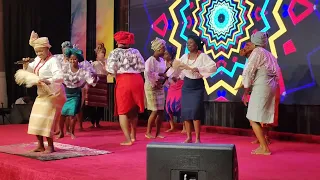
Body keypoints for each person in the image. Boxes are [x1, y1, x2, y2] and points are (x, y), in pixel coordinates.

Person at [22, 31, 66, 153]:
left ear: (47, 49)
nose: (39, 53)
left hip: (53, 94)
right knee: (36, 119)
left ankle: (50, 146)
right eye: (37, 51)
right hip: (41, 94)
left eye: (41, 51)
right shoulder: (37, 60)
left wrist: (49, 80)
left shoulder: (53, 61)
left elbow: (60, 76)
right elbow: (30, 72)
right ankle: (40, 145)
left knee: (47, 120)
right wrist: (26, 65)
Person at [238, 31, 281, 155]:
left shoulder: (257, 52)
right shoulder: (269, 54)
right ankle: (263, 144)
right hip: (270, 86)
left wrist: (245, 84)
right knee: (258, 116)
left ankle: (264, 148)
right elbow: (276, 72)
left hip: (262, 86)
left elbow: (249, 70)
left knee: (252, 118)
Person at [173, 35, 217, 143]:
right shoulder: (184, 57)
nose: (188, 44)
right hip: (187, 86)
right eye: (187, 43)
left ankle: (197, 138)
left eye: (191, 43)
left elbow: (213, 67)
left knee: (195, 112)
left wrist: (199, 69)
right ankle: (189, 137)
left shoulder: (202, 56)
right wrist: (175, 75)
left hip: (197, 86)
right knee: (187, 113)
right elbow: (179, 70)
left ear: (197, 45)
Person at [106, 31, 145, 145]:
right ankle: (133, 136)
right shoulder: (135, 51)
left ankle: (128, 139)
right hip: (137, 80)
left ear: (118, 41)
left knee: (122, 111)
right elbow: (142, 66)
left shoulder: (114, 53)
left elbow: (110, 69)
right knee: (133, 108)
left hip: (124, 80)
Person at [57, 48, 97, 139]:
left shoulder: (82, 70)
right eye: (71, 59)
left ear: (78, 60)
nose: (72, 61)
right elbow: (59, 77)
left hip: (76, 94)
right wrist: (63, 84)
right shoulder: (65, 68)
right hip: (66, 93)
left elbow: (90, 80)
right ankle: (61, 132)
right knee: (62, 114)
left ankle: (72, 133)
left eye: (74, 59)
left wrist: (94, 77)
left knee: (72, 114)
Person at [144, 37, 167, 139]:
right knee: (154, 110)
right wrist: (158, 79)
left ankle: (158, 133)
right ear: (157, 49)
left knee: (161, 111)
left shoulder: (162, 60)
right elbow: (148, 74)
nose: (164, 50)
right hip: (151, 87)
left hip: (160, 86)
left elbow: (163, 73)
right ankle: (148, 132)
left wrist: (165, 77)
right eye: (163, 48)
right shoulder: (150, 60)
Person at [85, 43, 108, 128]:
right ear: (97, 54)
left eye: (103, 53)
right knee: (92, 103)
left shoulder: (107, 62)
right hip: (95, 83)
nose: (102, 54)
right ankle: (92, 121)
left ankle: (97, 122)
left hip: (103, 83)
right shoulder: (94, 63)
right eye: (101, 52)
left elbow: (108, 72)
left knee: (101, 104)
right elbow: (89, 73)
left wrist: (105, 64)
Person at [163, 45, 185, 133]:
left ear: (171, 55)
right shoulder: (163, 63)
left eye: (166, 54)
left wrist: (178, 78)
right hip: (171, 87)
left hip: (179, 85)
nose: (164, 55)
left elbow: (183, 72)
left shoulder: (177, 62)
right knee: (168, 107)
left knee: (180, 106)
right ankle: (172, 126)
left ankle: (184, 127)